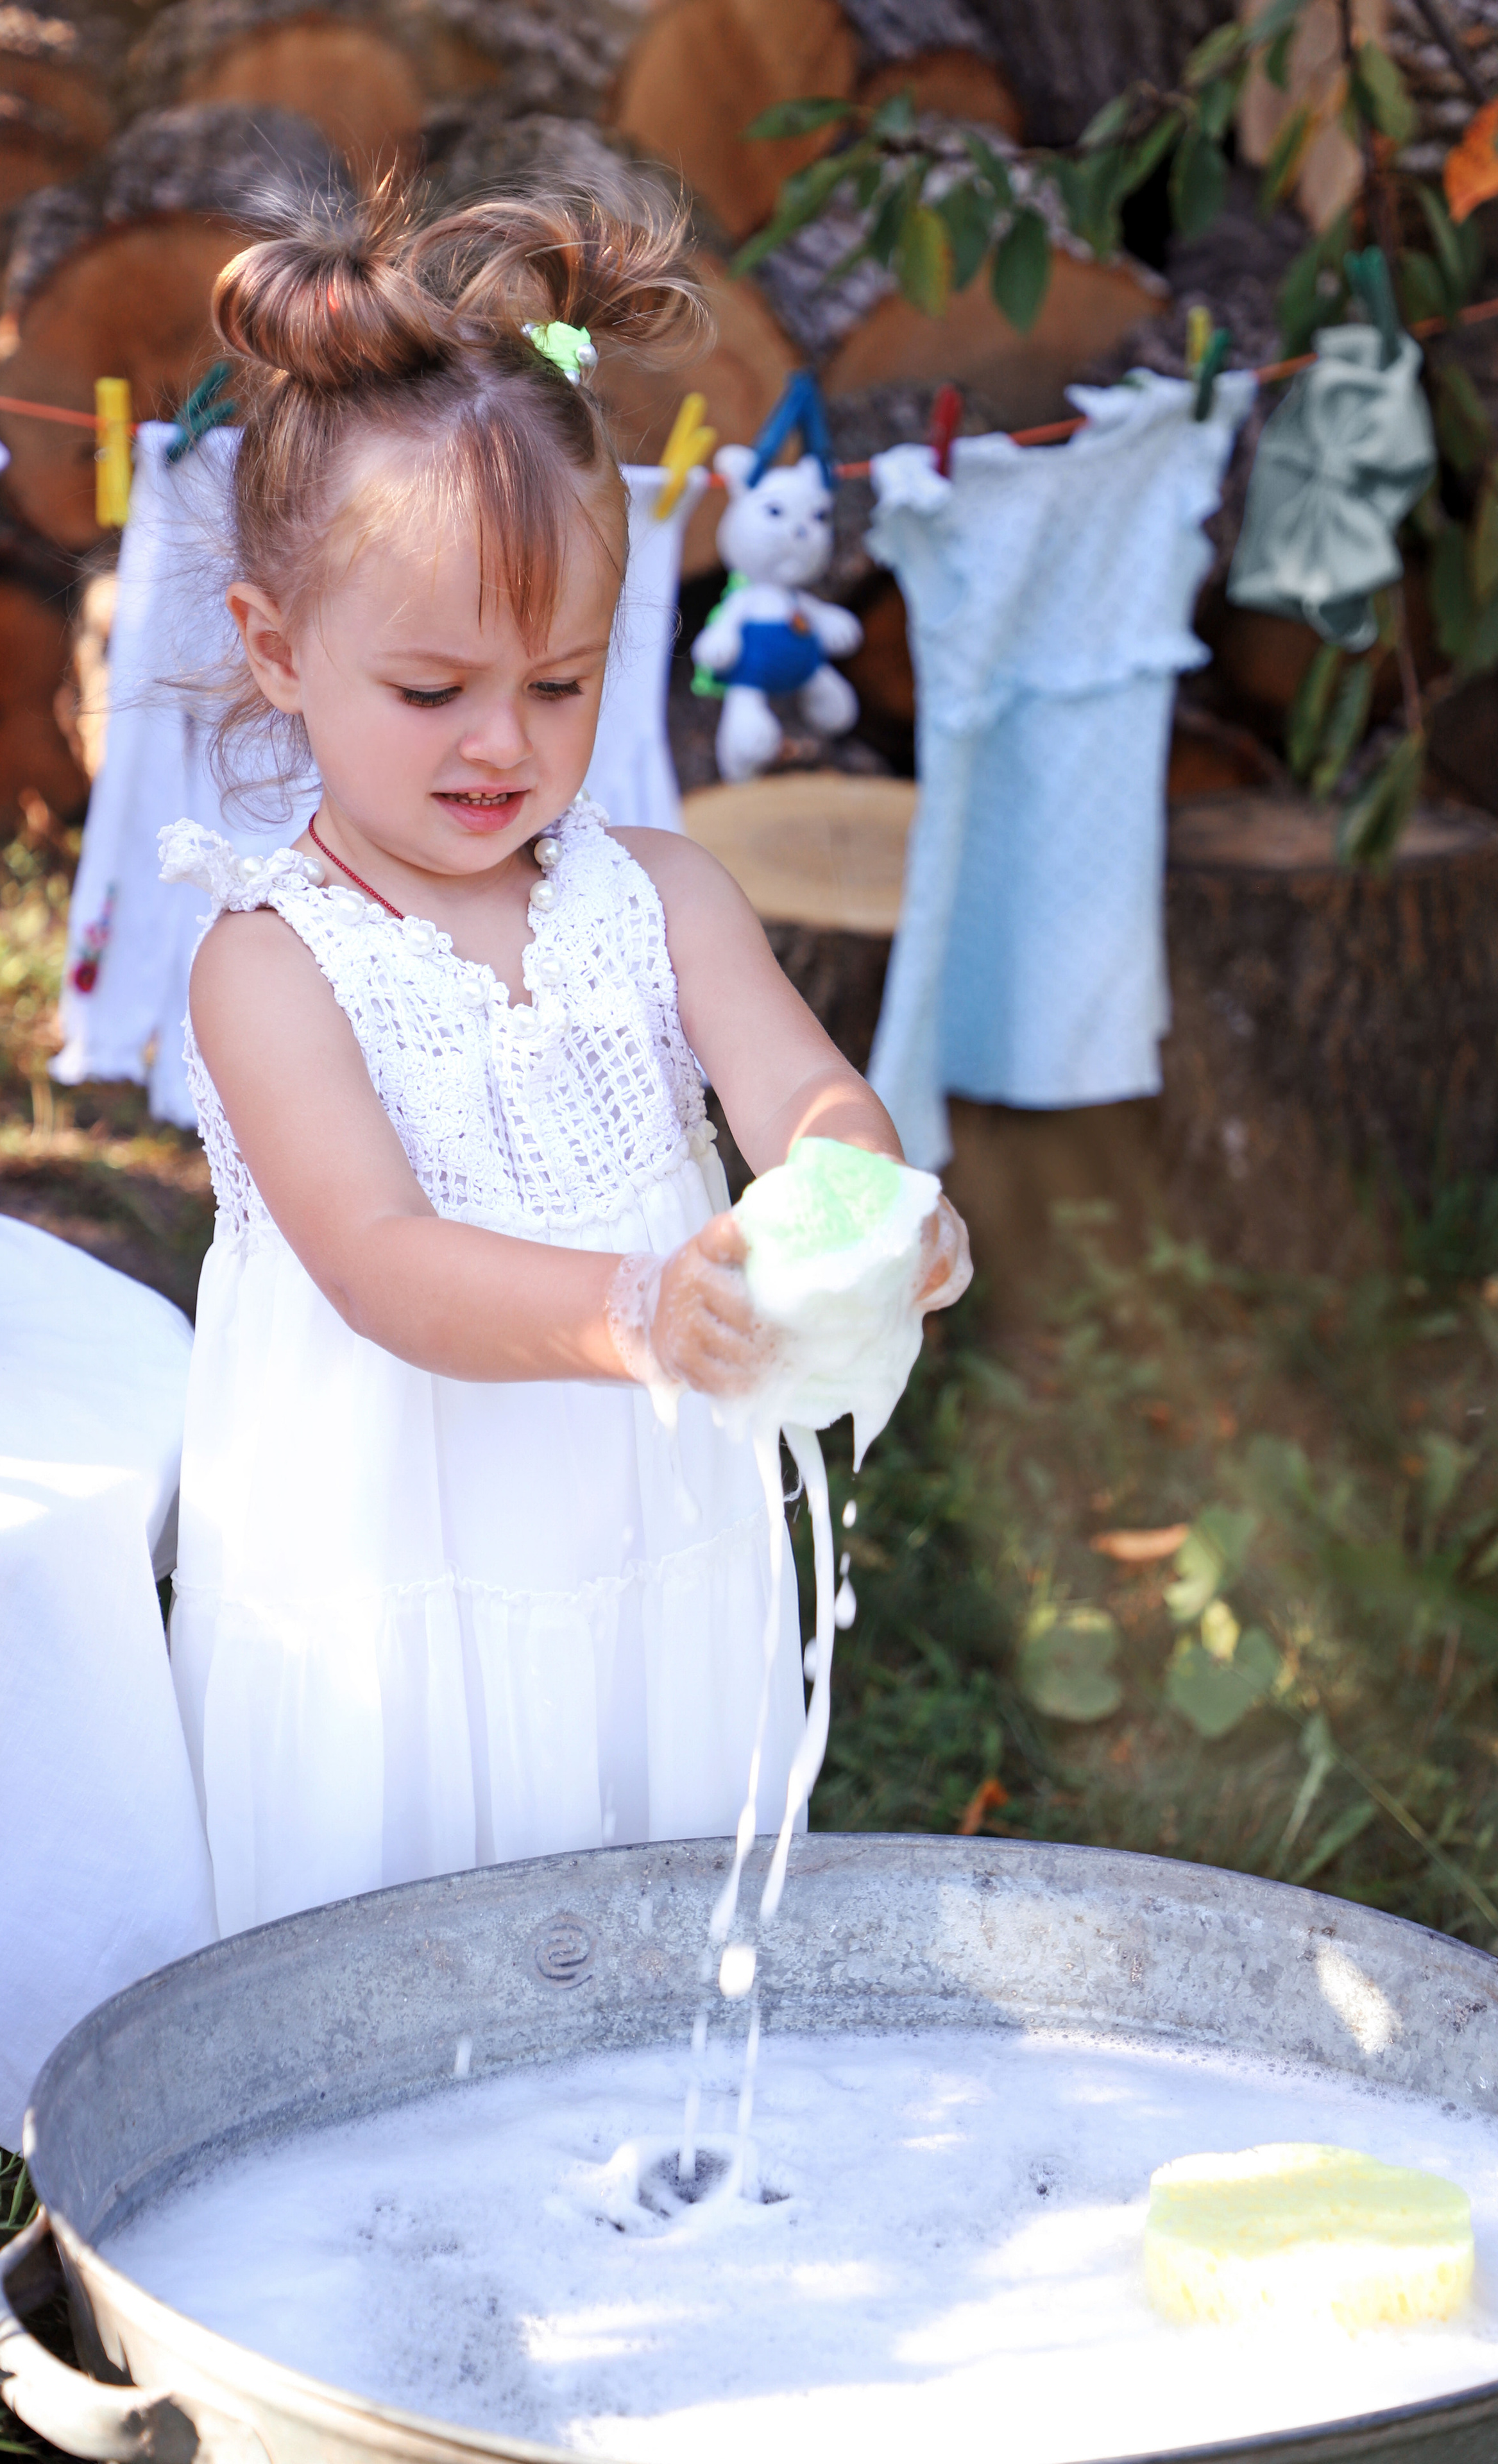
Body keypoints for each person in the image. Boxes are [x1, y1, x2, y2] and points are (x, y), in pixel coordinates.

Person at [160, 177, 969, 1937]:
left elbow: (797, 1086)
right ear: (279, 653)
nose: (501, 744)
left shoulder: (656, 893)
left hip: (638, 1530)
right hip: (395, 1556)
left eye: (561, 682)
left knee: (652, 1902)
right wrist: (633, 1310)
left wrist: (858, 1189)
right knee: (406, 1938)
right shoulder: (268, 962)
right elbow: (380, 1264)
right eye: (434, 689)